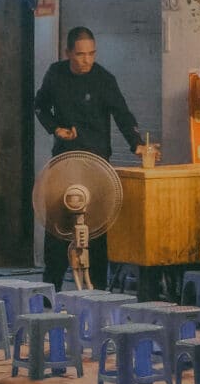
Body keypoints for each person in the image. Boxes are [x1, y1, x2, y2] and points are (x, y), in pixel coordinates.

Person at [34, 25, 143, 291]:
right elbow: (40, 105)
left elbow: (122, 114)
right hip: (64, 162)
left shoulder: (103, 79)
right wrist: (55, 129)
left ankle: (99, 294)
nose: (87, 60)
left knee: (96, 230)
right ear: (68, 52)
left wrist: (137, 144)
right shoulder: (55, 74)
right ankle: (51, 291)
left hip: (96, 165)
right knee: (58, 230)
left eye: (91, 54)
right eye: (81, 54)